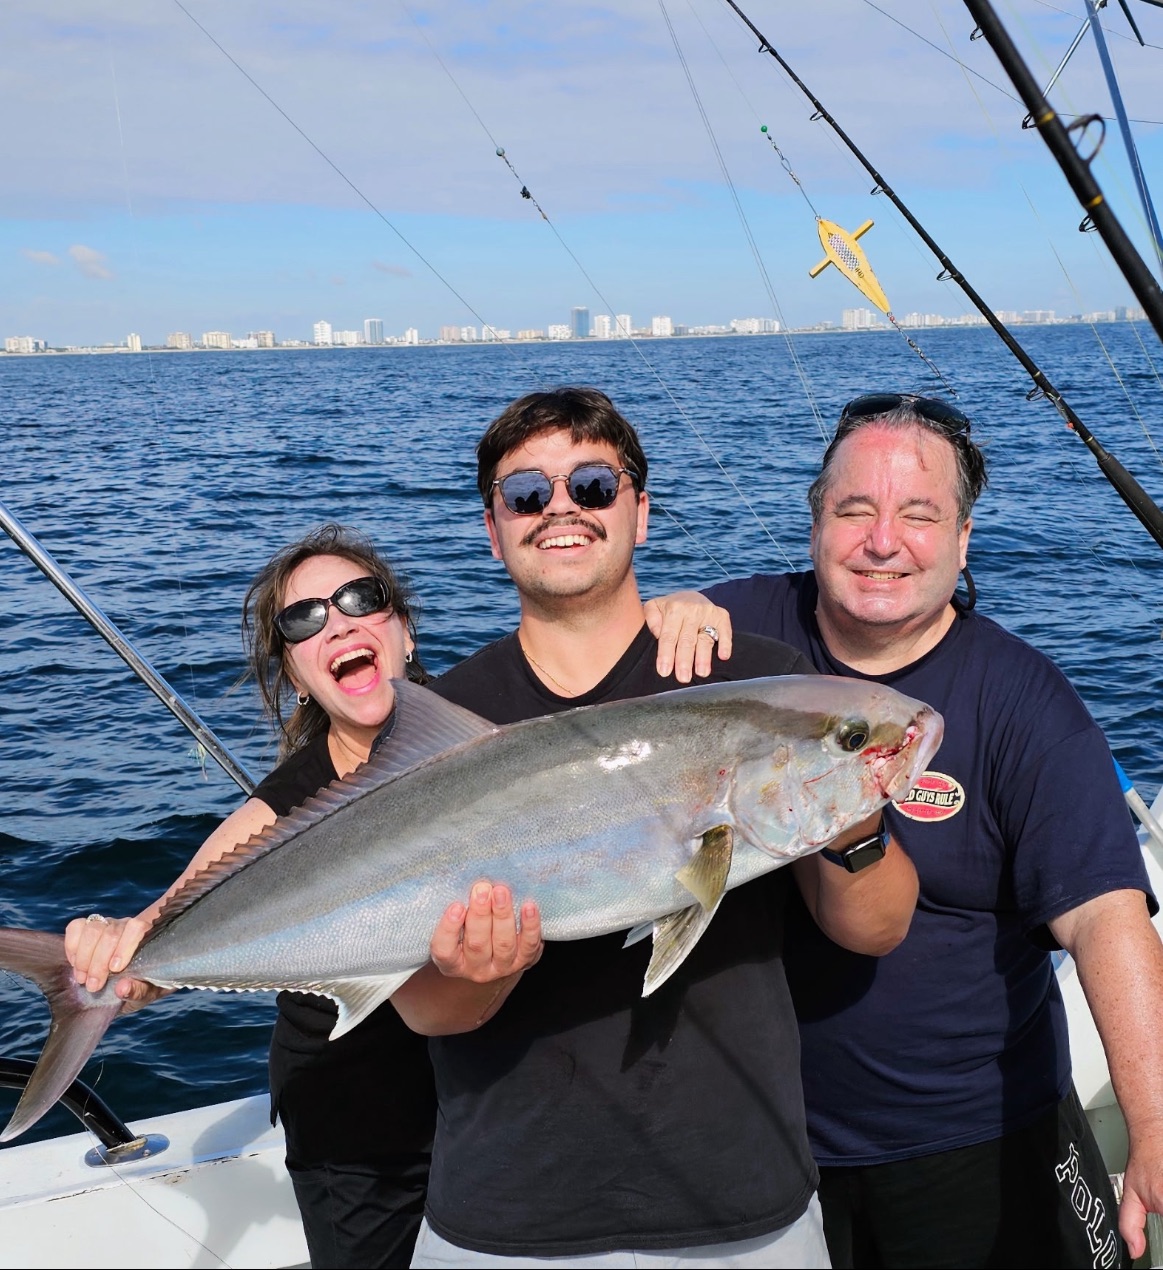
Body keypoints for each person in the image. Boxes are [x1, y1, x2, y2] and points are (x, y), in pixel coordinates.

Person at [388, 386, 922, 1268]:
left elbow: (875, 925)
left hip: (743, 1209)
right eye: (526, 494)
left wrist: (847, 810)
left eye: (593, 485)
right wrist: (479, 977)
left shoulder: (754, 678)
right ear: (493, 529)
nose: (560, 507)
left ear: (639, 510)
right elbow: (424, 1011)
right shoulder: (445, 716)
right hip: (502, 1218)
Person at [647, 392, 1163, 1268]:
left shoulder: (1024, 702)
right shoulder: (729, 641)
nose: (882, 541)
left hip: (977, 1134)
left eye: (918, 515)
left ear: (962, 541)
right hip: (752, 1142)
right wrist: (656, 613)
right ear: (814, 521)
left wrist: (1151, 1122)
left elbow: (1102, 916)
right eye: (854, 510)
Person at [64, 523, 435, 1270]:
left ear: (402, 630)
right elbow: (153, 940)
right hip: (350, 1126)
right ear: (297, 675)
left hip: (493, 1095)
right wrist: (110, 947)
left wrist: (685, 610)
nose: (339, 622)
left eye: (363, 597)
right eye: (304, 619)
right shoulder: (280, 809)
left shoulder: (490, 733)